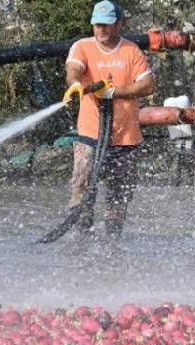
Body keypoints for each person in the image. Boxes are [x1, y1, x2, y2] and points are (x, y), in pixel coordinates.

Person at [61, 0, 155, 236]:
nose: (101, 29)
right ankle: (80, 244)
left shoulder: (131, 51)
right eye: (97, 25)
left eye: (106, 24)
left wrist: (113, 93)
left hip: (126, 138)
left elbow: (147, 85)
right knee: (82, 190)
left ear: (118, 24)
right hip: (90, 135)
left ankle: (113, 247)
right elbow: (73, 70)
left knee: (118, 198)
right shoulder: (82, 47)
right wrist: (74, 84)